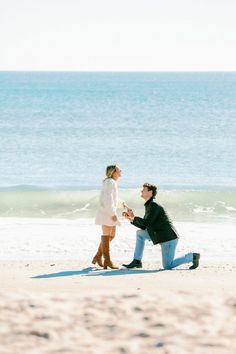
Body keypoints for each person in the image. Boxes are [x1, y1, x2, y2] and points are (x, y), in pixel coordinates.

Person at [123, 183, 200, 270]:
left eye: (143, 190)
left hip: (168, 238)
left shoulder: (154, 205)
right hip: (159, 235)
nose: (141, 191)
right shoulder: (149, 205)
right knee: (140, 233)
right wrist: (131, 219)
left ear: (150, 192)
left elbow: (147, 223)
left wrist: (134, 217)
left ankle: (192, 256)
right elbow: (145, 227)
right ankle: (137, 261)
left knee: (168, 266)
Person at [92, 165, 127, 269]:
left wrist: (123, 204)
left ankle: (98, 257)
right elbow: (108, 200)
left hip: (109, 212)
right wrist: (113, 214)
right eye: (119, 169)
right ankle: (107, 261)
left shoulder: (112, 182)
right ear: (114, 171)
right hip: (107, 213)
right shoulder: (109, 182)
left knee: (111, 236)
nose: (121, 171)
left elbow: (113, 199)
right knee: (107, 236)